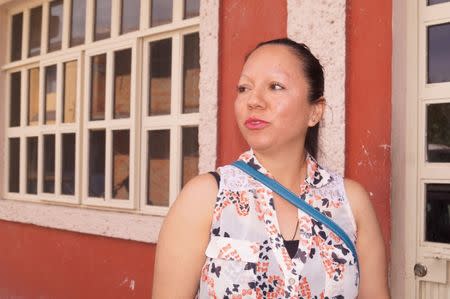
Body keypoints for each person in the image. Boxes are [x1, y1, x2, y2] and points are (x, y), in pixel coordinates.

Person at [153, 38, 389, 298]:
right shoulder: (205, 197)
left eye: (275, 86)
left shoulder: (349, 203)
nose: (253, 100)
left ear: (315, 111)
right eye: (244, 88)